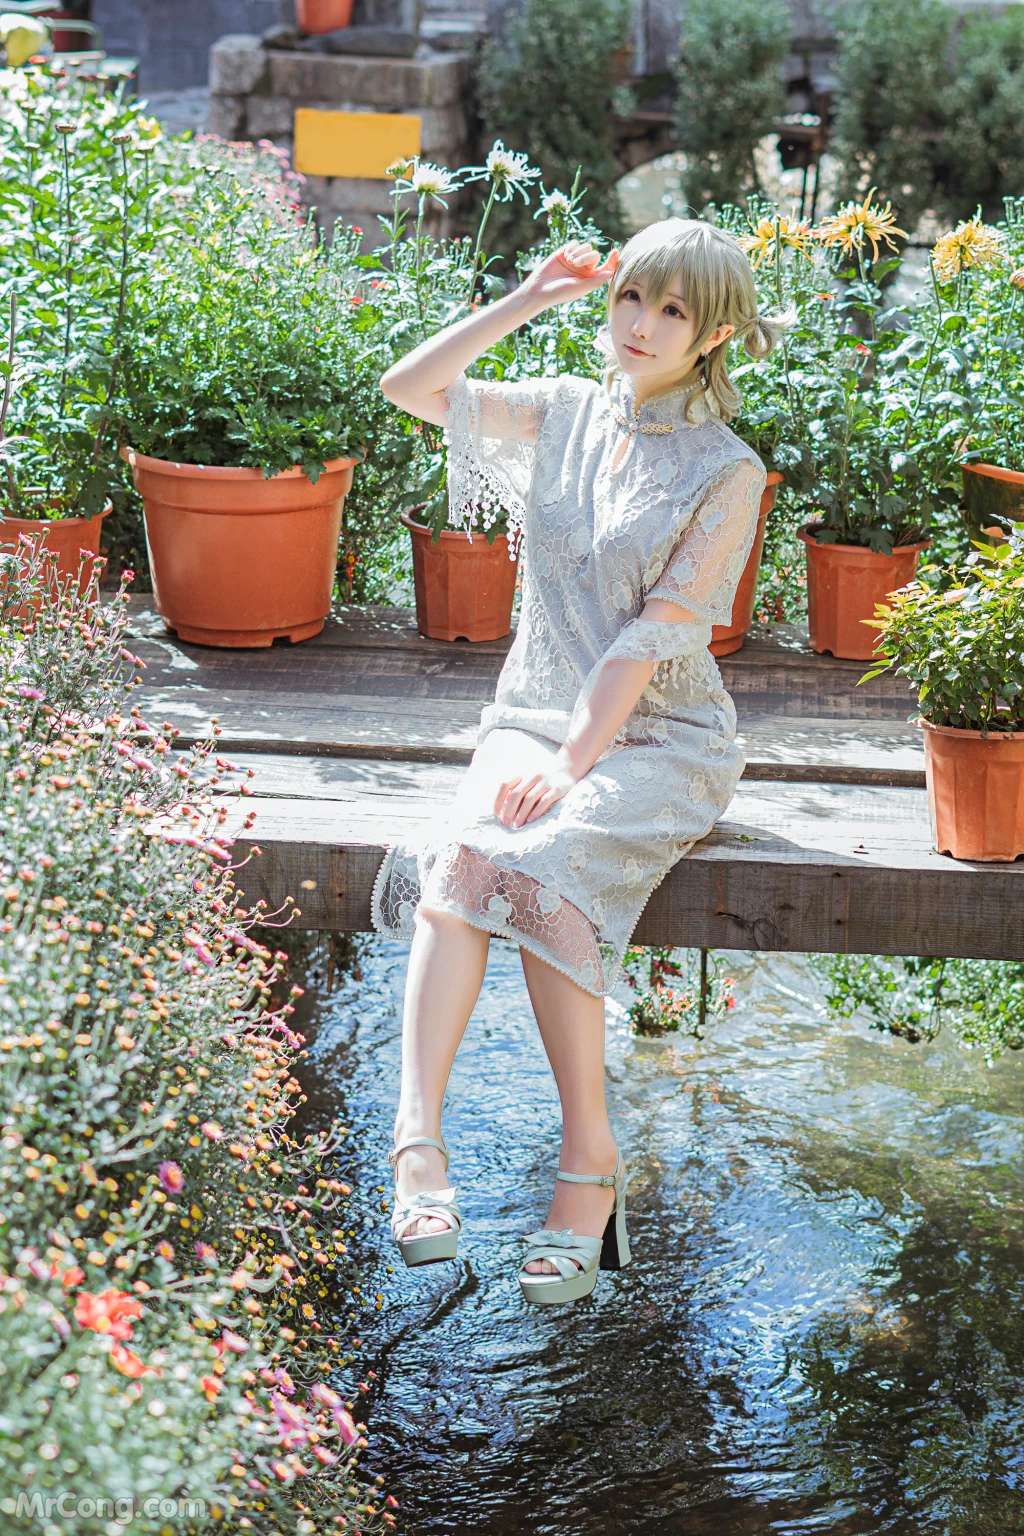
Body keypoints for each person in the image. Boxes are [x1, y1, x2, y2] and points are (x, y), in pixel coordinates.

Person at [374, 218, 790, 1306]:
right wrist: (525, 300)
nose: (640, 324)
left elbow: (650, 640)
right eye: (629, 298)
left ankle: (588, 1161)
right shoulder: (560, 410)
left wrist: (570, 765)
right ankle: (417, 1143)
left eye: (672, 311)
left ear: (714, 336)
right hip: (531, 715)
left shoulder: (726, 470)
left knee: (543, 858)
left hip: (663, 737)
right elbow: (409, 387)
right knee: (461, 859)